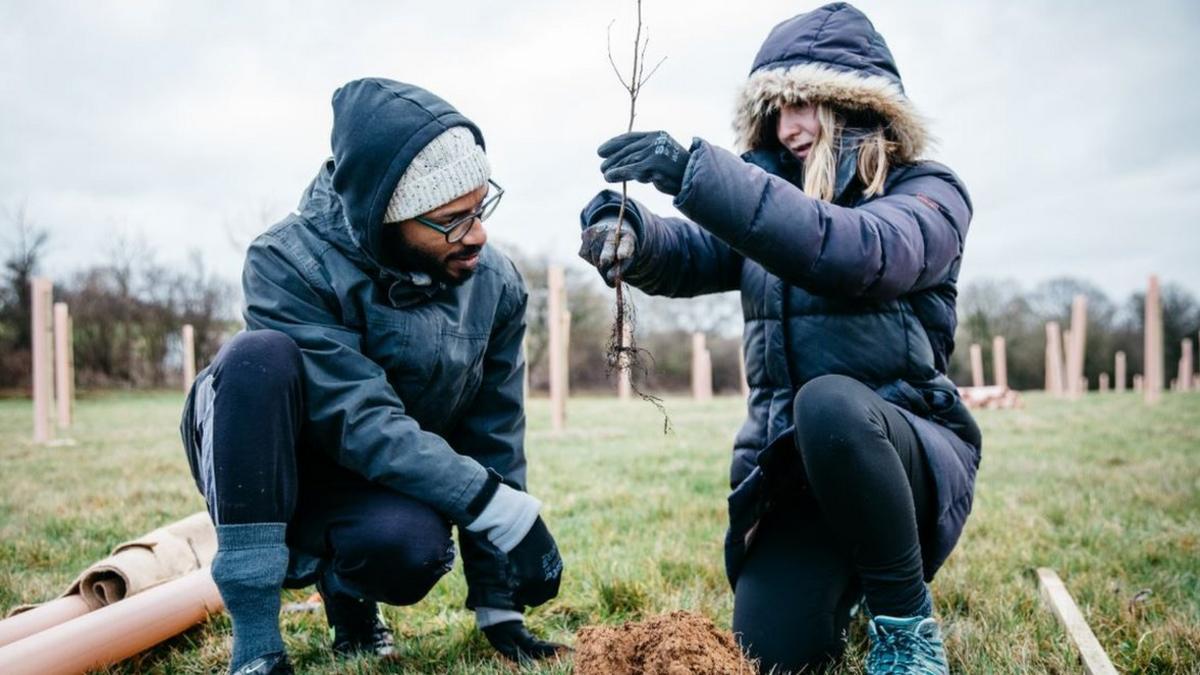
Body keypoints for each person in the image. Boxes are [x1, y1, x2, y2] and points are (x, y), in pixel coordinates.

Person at [577, 3, 981, 673]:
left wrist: (694, 175)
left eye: (807, 105)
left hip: (899, 455)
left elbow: (857, 252)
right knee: (773, 652)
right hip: (795, 476)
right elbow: (694, 249)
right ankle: (843, 587)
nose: (789, 126)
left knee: (827, 404)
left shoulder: (927, 194)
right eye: (776, 109)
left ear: (859, 106)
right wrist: (633, 234)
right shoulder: (765, 198)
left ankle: (906, 623)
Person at [180, 78, 565, 675]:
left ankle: (350, 605)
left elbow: (493, 432)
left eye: (482, 207)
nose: (478, 235)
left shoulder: (495, 285)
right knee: (258, 357)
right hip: (277, 466)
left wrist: (499, 604)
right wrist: (500, 508)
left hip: (371, 480)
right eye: (452, 220)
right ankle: (256, 647)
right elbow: (357, 417)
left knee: (410, 548)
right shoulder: (285, 263)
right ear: (385, 219)